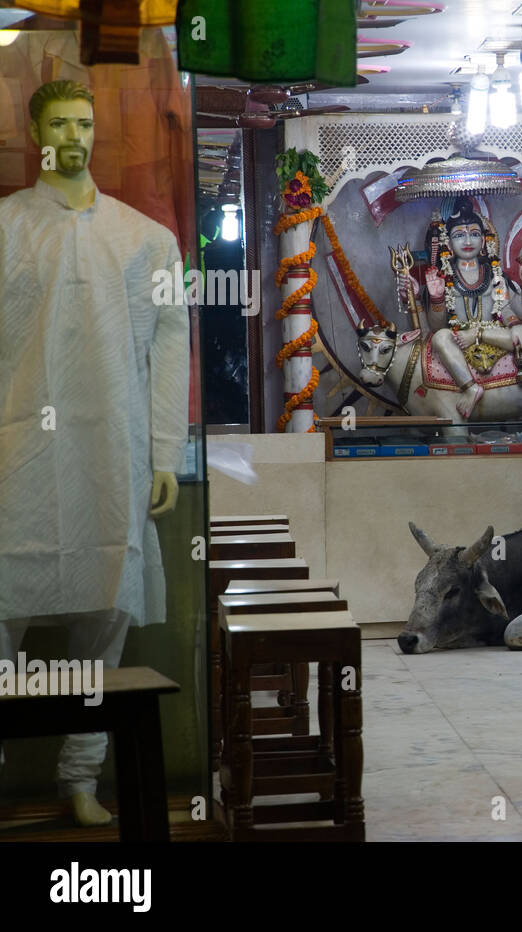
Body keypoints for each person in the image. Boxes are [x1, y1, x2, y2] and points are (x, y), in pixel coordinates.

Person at [0, 80, 190, 824]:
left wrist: (165, 453)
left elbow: (169, 350)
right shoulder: (7, 228)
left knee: (103, 611)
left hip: (114, 451)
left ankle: (80, 775)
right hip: (16, 451)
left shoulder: (145, 239)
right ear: (34, 130)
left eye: (84, 120)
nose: (74, 133)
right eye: (59, 121)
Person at [400, 198, 522, 418]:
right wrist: (436, 297)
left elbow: (521, 313)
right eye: (459, 235)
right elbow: (435, 327)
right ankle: (470, 387)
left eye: (474, 234)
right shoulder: (443, 278)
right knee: (440, 338)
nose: (468, 240)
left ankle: (478, 333)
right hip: (457, 342)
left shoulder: (494, 274)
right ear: (448, 242)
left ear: (484, 241)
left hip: (495, 337)